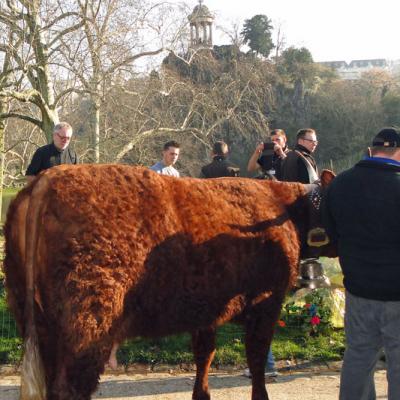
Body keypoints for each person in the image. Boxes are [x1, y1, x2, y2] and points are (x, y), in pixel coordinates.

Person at [321, 127, 400, 400]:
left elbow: (330, 233)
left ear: (372, 150)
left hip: (358, 287)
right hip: (397, 290)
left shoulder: (341, 184)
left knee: (358, 357)